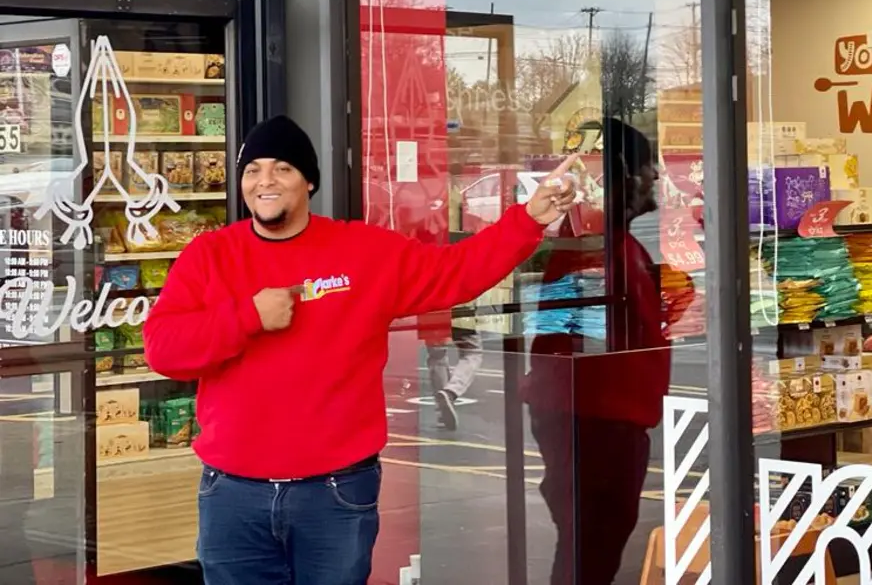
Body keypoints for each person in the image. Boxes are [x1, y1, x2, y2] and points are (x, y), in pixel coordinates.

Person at [143, 115, 577, 585]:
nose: (264, 181)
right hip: (232, 495)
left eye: (282, 168)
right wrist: (247, 317)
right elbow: (163, 350)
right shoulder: (210, 256)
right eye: (253, 170)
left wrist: (528, 219)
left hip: (335, 493)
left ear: (309, 180)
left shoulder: (363, 252)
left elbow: (459, 272)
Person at [525, 119, 694, 585]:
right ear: (625, 174)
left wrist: (663, 309)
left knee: (595, 541)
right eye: (647, 167)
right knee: (592, 541)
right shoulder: (595, 246)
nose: (656, 178)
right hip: (593, 418)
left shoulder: (620, 244)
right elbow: (580, 331)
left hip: (606, 415)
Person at [427, 325, 482, 430]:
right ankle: (451, 391)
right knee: (472, 352)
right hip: (459, 311)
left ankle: (442, 412)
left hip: (429, 312)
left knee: (437, 356)